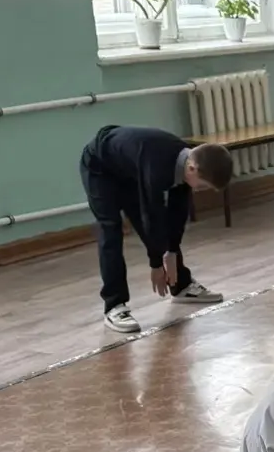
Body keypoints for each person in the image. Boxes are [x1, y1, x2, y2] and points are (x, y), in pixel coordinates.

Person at [79, 126, 232, 334]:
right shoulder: (157, 167)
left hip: (127, 167)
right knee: (111, 229)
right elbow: (151, 215)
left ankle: (181, 285)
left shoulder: (186, 161)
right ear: (192, 168)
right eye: (203, 185)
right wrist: (156, 263)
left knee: (160, 230)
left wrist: (172, 250)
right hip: (100, 166)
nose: (199, 190)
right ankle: (114, 305)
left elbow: (177, 214)